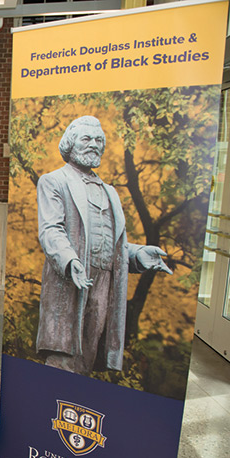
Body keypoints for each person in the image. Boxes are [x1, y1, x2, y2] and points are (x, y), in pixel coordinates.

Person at [36, 116, 172, 375]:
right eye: (86, 139)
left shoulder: (110, 191)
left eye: (99, 140)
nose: (94, 145)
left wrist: (139, 255)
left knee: (87, 358)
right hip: (70, 281)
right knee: (62, 357)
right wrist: (70, 261)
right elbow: (50, 230)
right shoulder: (54, 181)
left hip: (104, 284)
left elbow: (114, 245)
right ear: (71, 143)